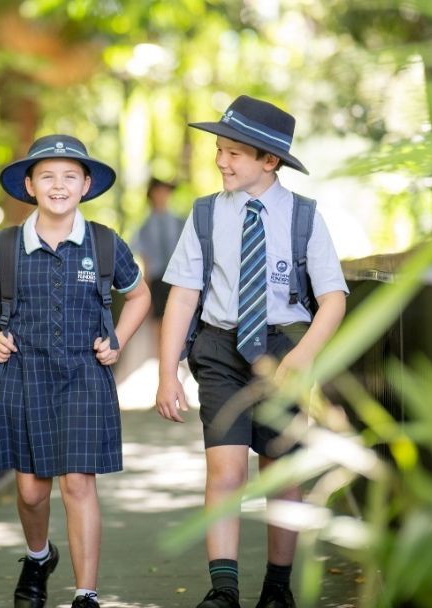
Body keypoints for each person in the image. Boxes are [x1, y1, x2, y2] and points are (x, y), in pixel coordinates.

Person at [155, 95, 348, 608]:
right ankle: (224, 590)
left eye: (235, 152)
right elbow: (182, 294)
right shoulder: (204, 214)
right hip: (220, 349)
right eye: (220, 149)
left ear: (271, 160)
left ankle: (277, 589)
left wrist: (302, 358)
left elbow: (332, 299)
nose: (221, 160)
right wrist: (167, 373)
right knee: (225, 471)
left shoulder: (304, 218)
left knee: (279, 470)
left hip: (284, 349)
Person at [0, 134, 150, 608]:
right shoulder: (6, 245)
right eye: (47, 176)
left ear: (85, 185)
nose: (58, 185)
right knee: (30, 492)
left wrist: (118, 339)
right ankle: (39, 556)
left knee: (79, 482)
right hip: (24, 375)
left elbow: (140, 295)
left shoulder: (105, 243)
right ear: (30, 184)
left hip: (86, 374)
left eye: (69, 176)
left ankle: (86, 593)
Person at [131, 176, 185, 345]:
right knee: (158, 322)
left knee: (178, 318)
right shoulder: (145, 226)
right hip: (156, 279)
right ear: (152, 194)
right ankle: (160, 360)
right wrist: (145, 290)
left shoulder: (180, 222)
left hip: (177, 278)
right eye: (159, 191)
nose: (163, 195)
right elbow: (145, 259)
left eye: (166, 191)